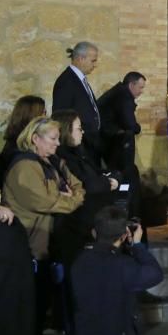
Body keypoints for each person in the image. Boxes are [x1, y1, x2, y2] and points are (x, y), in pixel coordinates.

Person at [2, 116, 86, 335]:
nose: (57, 144)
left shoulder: (52, 163)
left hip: (48, 242)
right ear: (35, 139)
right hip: (30, 243)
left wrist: (70, 196)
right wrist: (69, 199)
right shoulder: (25, 167)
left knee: (43, 300)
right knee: (33, 302)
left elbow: (78, 186)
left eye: (58, 138)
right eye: (52, 139)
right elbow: (44, 201)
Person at [71, 206, 164, 335]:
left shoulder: (80, 261)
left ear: (95, 232)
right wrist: (138, 245)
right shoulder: (122, 265)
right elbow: (155, 274)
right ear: (124, 236)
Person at [50, 109, 120, 264]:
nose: (82, 132)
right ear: (66, 130)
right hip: (79, 224)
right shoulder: (63, 157)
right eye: (78, 128)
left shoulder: (78, 151)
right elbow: (83, 184)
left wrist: (112, 177)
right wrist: (107, 182)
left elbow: (95, 172)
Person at [98, 71, 146, 216]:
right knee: (124, 182)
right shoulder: (124, 97)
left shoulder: (118, 92)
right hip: (116, 148)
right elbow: (130, 124)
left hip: (109, 145)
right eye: (140, 87)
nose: (141, 91)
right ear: (131, 84)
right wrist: (137, 128)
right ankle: (126, 214)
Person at [52, 42, 102, 165]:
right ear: (81, 58)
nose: (95, 65)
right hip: (79, 146)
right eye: (93, 61)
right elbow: (62, 116)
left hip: (89, 143)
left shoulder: (79, 79)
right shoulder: (67, 81)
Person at [0, 96, 46, 167]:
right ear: (32, 116)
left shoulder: (26, 140)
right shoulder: (18, 147)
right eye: (43, 113)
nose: (46, 117)